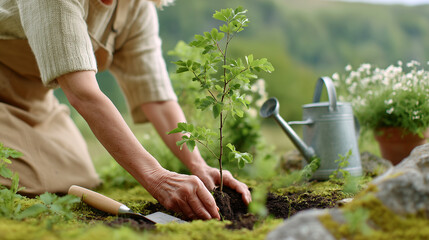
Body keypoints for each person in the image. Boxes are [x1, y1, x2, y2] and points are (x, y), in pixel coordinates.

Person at [0, 0, 251, 220]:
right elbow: (83, 94)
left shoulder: (136, 8)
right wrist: (156, 177)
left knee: (78, 179)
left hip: (35, 105)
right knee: (28, 181)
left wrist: (198, 165)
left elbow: (158, 98)